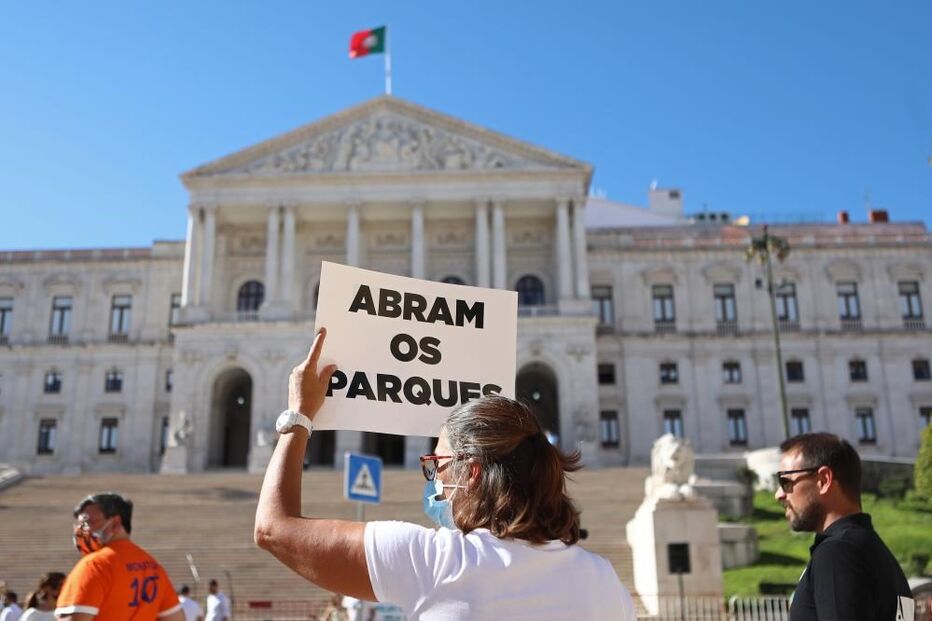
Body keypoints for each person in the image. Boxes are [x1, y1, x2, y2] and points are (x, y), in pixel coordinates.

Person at [254, 328, 636, 620]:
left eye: (436, 465)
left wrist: (299, 416)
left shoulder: (435, 562)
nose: (434, 479)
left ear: (470, 473)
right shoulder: (605, 581)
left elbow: (273, 528)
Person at [775, 433, 914, 620]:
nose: (779, 495)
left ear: (824, 480)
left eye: (785, 482)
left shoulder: (836, 553)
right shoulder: (880, 555)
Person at [54, 492, 184, 621]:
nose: (81, 530)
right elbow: (175, 618)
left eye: (88, 522)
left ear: (115, 523)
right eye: (80, 524)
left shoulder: (94, 565)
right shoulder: (154, 567)